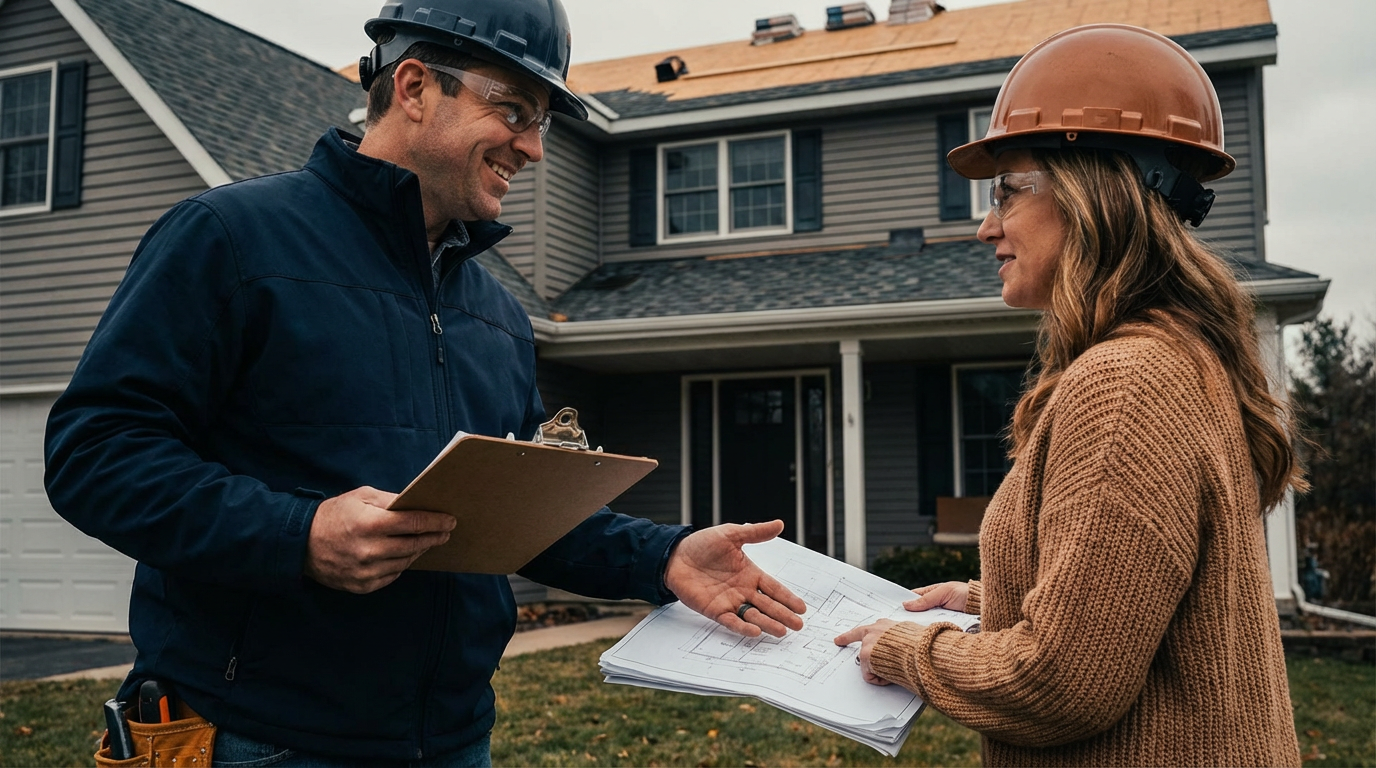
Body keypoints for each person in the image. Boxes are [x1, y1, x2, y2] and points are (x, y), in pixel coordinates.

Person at [43, 1, 805, 765]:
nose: (534, 149)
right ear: (413, 87)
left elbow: (517, 513)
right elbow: (96, 454)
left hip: (451, 740)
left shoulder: (497, 316)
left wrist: (662, 557)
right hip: (257, 738)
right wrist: (298, 535)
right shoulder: (232, 241)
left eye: (541, 122)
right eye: (514, 110)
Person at [834, 23, 1304, 766]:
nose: (986, 227)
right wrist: (986, 603)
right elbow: (1141, 601)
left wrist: (906, 650)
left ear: (1094, 196)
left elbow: (1060, 684)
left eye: (1008, 193)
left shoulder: (1125, 385)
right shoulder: (1175, 358)